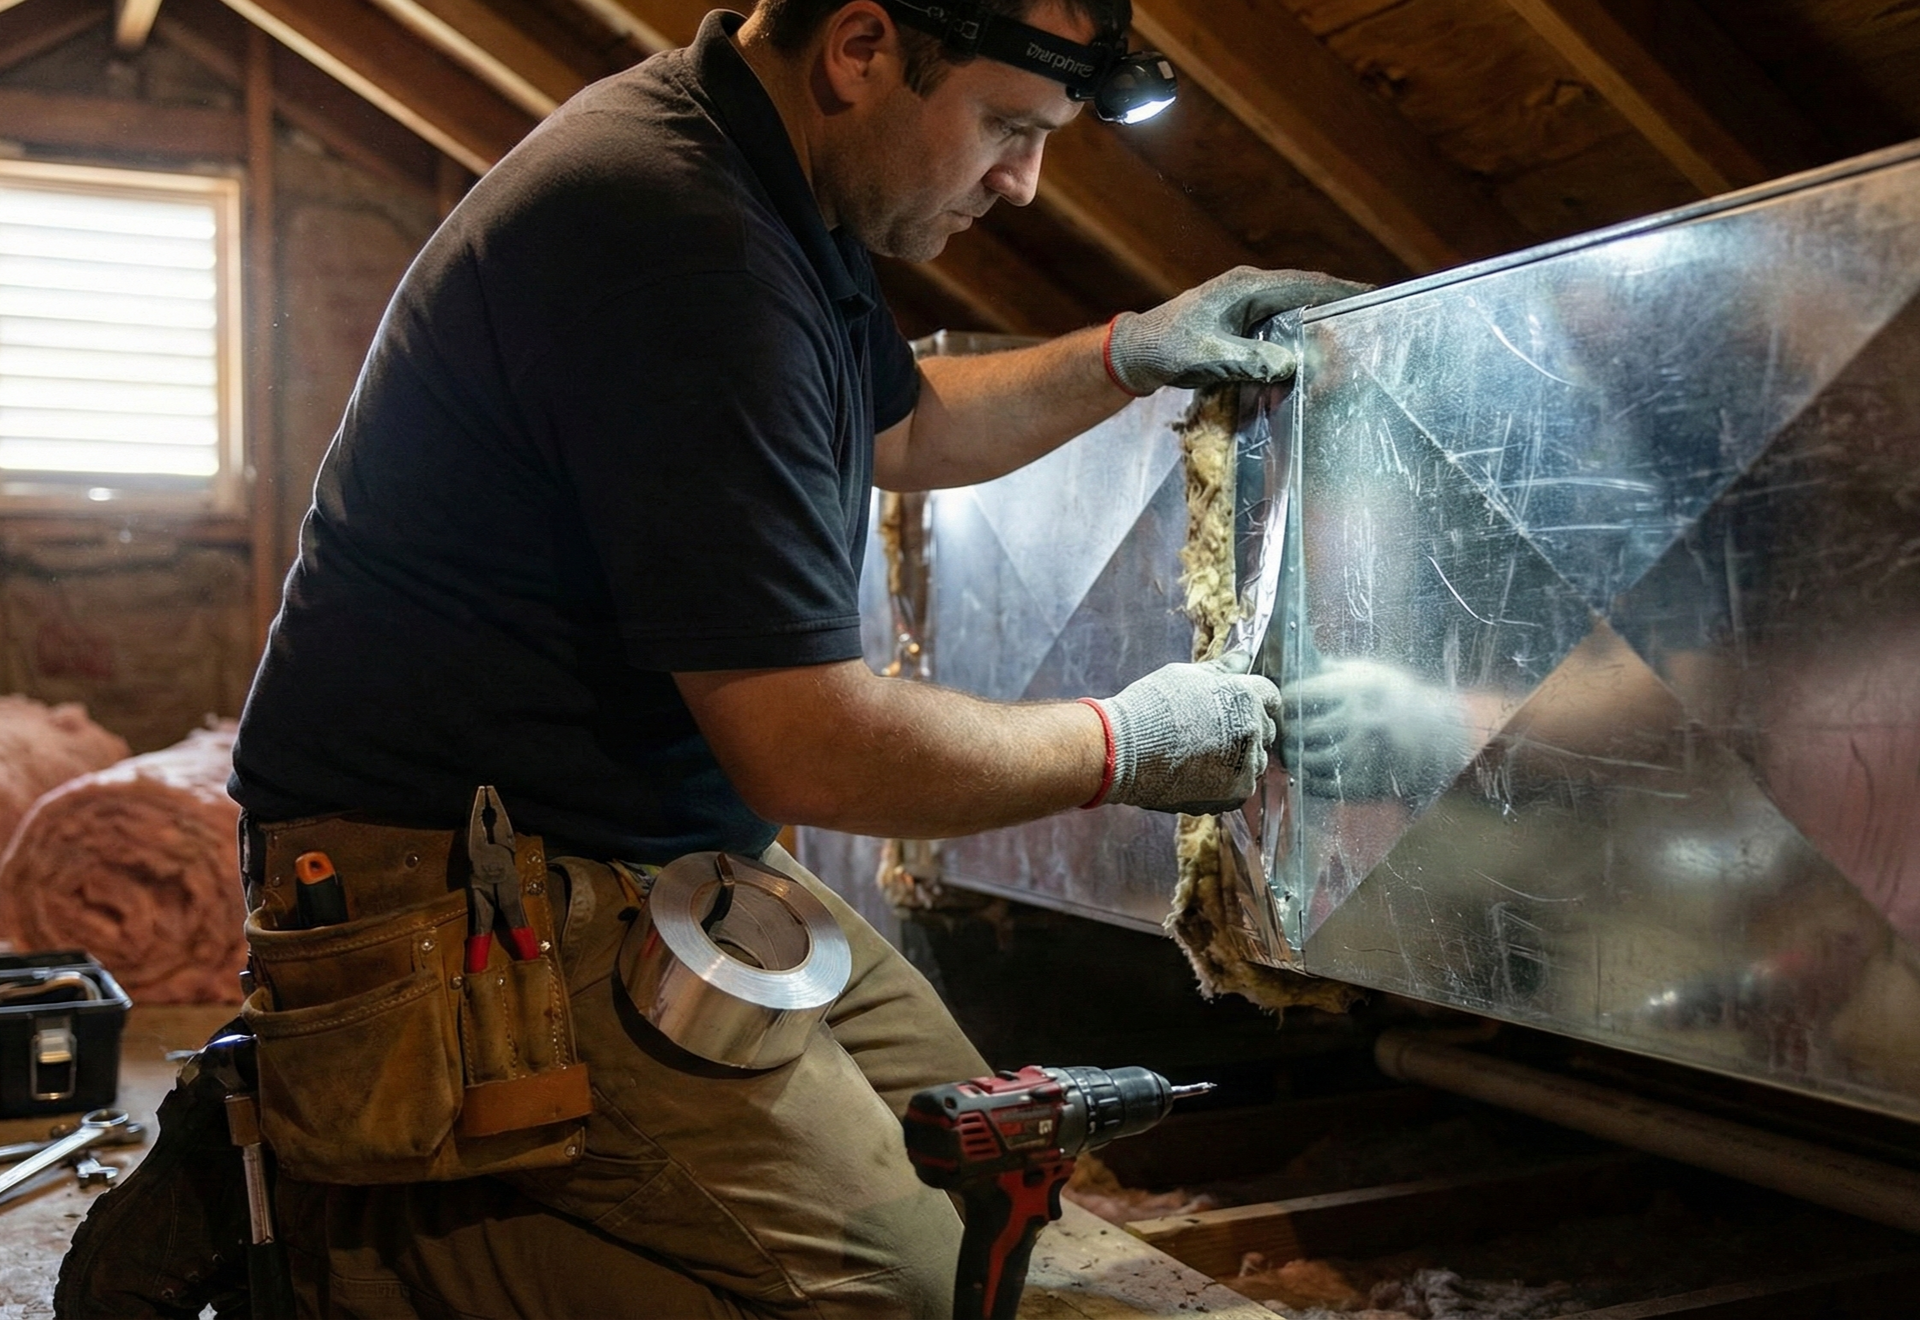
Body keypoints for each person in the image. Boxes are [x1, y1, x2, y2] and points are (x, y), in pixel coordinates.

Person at [62, 1, 1364, 1315]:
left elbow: (904, 428)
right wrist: (1125, 746)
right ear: (861, 51)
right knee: (908, 1295)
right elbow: (813, 746)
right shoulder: (679, 236)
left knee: (994, 1194)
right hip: (454, 894)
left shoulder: (771, 186)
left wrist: (1125, 352)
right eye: (1009, 129)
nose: (1024, 185)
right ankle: (319, 1210)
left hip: (648, 857)